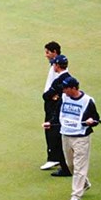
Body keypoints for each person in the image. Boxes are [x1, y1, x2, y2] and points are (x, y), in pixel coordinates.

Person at [59, 76, 101, 200]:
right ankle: (84, 183)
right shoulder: (64, 97)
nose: (64, 90)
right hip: (65, 134)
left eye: (66, 88)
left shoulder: (87, 101)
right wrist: (51, 121)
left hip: (81, 137)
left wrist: (91, 122)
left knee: (79, 167)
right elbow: (60, 113)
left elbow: (96, 119)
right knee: (70, 165)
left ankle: (75, 196)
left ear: (73, 88)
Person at [42, 54, 73, 178]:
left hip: (57, 113)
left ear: (57, 65)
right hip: (63, 112)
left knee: (57, 139)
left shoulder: (59, 80)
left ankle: (65, 167)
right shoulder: (69, 78)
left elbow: (46, 96)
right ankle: (66, 164)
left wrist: (53, 96)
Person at [40, 41, 63, 170]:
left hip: (53, 103)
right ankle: (56, 156)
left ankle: (54, 158)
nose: (46, 55)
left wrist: (53, 96)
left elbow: (60, 83)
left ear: (55, 52)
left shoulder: (58, 67)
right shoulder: (54, 65)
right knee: (51, 128)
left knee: (51, 128)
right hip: (51, 101)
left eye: (48, 52)